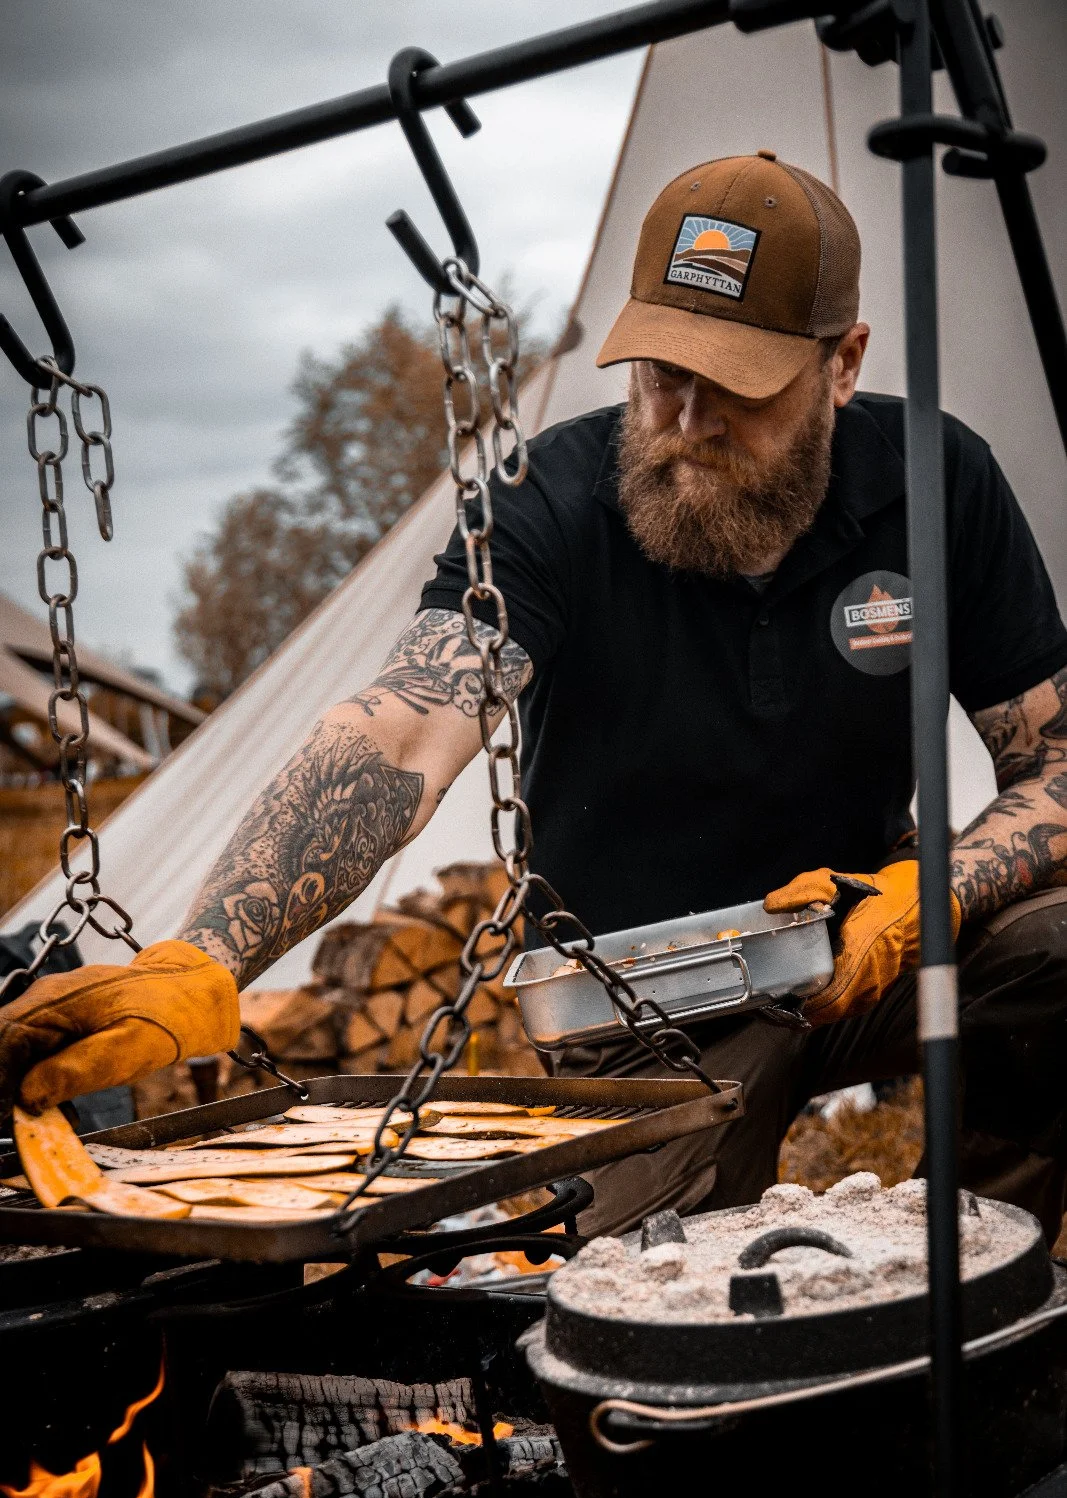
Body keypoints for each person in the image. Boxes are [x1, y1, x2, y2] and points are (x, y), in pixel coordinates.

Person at [4, 152, 1067, 1241]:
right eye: (661, 373)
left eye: (738, 388)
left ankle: (987, 1275)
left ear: (842, 365)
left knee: (1056, 944)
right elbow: (405, 729)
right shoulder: (546, 501)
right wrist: (205, 954)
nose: (687, 423)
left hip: (853, 947)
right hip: (636, 1004)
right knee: (664, 1306)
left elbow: (1054, 760)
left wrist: (934, 889)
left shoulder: (937, 481)